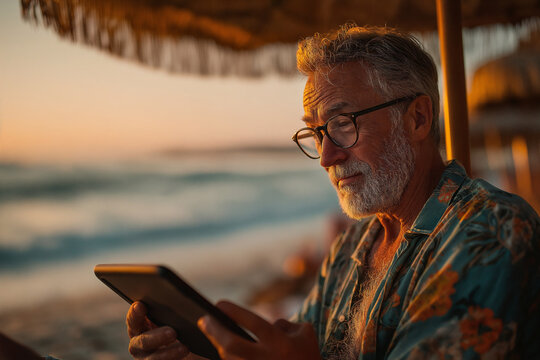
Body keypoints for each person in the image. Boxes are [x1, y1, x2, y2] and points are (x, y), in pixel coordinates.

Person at [3, 24, 538, 360]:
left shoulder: (492, 231)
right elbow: (296, 345)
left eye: (344, 124)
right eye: (316, 133)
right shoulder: (353, 248)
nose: (326, 157)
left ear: (418, 117)